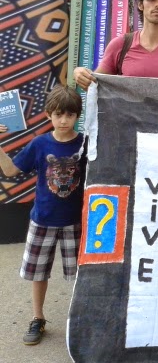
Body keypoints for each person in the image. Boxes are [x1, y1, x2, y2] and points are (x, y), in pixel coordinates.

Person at [0, 85, 86, 345]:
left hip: (76, 222)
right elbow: (11, 171)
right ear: (49, 114)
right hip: (43, 219)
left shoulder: (85, 143)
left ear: (77, 115)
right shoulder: (40, 144)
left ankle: (81, 318)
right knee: (38, 273)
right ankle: (38, 318)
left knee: (81, 276)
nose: (64, 120)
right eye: (58, 114)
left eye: (70, 115)